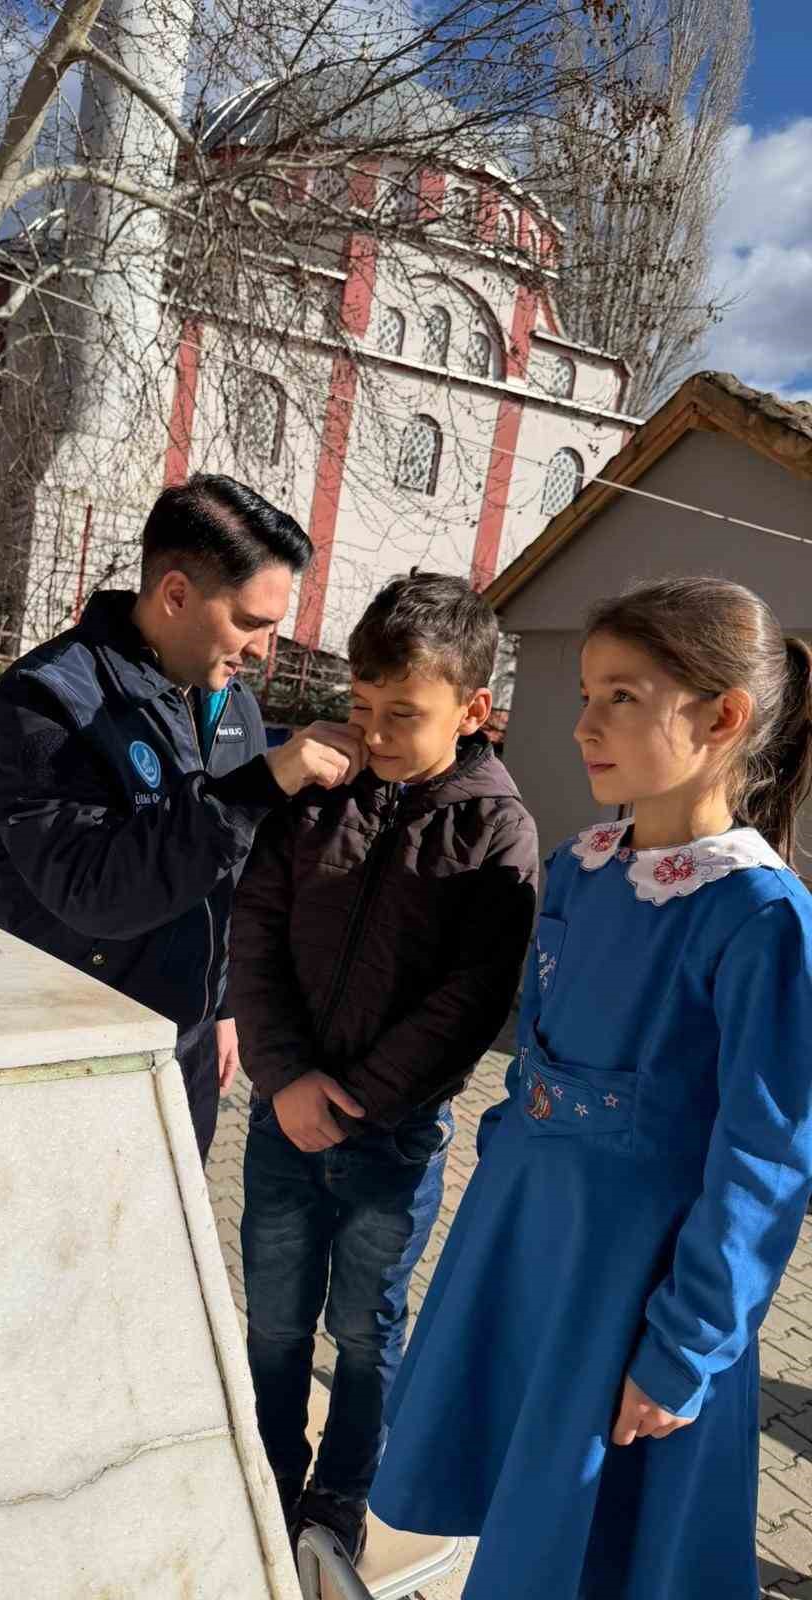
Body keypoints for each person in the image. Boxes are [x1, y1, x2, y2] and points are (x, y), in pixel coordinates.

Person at [369, 577, 812, 1600]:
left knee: (594, 1541)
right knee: (515, 1492)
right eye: (584, 692)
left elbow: (765, 1159)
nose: (583, 725)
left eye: (622, 694)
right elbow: (541, 1048)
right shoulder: (581, 866)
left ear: (721, 716)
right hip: (524, 1241)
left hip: (633, 1283)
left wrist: (686, 1345)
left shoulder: (759, 917)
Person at [229, 573, 540, 1560]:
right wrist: (283, 1077)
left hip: (390, 1140)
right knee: (275, 1321)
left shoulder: (497, 832)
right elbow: (257, 933)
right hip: (284, 1122)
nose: (375, 733)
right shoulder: (321, 798)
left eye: (403, 713)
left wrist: (357, 1096)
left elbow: (470, 1000)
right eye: (361, 709)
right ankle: (272, 1475)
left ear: (474, 709)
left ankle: (341, 1494)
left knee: (366, 1333)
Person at [0, 475, 365, 1162]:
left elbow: (228, 879)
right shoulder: (49, 700)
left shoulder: (232, 705)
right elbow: (94, 893)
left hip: (182, 1050)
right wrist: (257, 787)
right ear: (177, 594)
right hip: (67, 1052)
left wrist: (223, 1006)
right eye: (250, 622)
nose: (261, 650)